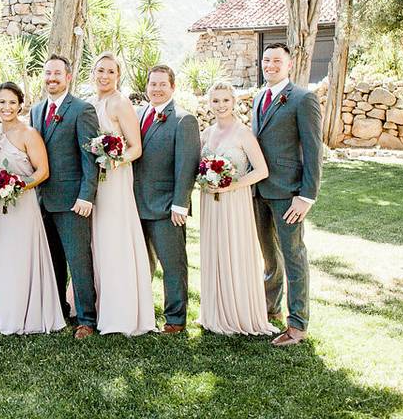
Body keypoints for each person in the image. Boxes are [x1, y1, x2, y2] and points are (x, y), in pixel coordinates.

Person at [252, 43, 323, 347]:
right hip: (259, 191)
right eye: (266, 60)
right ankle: (272, 309)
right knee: (270, 257)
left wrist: (306, 196)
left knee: (293, 256)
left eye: (277, 61)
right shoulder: (258, 97)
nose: (270, 65)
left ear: (289, 65)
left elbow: (313, 150)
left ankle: (298, 324)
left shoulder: (303, 98)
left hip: (288, 192)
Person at [29, 55, 100, 339]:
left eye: (57, 73)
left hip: (72, 201)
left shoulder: (82, 110)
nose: (51, 78)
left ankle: (87, 319)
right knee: (53, 259)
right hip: (42, 200)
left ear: (68, 77)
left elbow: (90, 158)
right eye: (47, 73)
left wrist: (87, 196)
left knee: (78, 260)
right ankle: (59, 308)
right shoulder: (36, 110)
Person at [198, 81, 275, 336]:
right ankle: (215, 312)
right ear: (210, 103)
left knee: (234, 249)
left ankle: (239, 312)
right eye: (216, 101)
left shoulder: (243, 133)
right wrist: (206, 182)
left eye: (225, 100)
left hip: (235, 201)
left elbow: (261, 171)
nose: (221, 106)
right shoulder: (207, 134)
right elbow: (200, 166)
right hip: (210, 202)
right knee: (215, 250)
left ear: (234, 102)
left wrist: (232, 186)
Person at [0, 82, 64, 335]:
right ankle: (5, 315)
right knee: (1, 259)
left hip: (22, 205)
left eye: (12, 102)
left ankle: (28, 315)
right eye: (2, 102)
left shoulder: (29, 134)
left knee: (21, 258)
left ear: (20, 105)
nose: (7, 107)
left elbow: (42, 171)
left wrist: (18, 186)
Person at [89, 53, 155, 336]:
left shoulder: (120, 102)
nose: (105, 76)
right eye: (100, 70)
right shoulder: (92, 102)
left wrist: (115, 160)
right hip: (95, 180)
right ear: (93, 73)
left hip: (115, 178)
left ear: (118, 75)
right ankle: (98, 302)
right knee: (97, 238)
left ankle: (121, 310)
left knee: (115, 238)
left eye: (110, 72)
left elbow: (136, 147)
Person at [132, 65, 201, 334]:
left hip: (166, 206)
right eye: (153, 84)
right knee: (139, 263)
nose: (157, 89)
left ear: (173, 87)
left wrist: (180, 204)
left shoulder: (184, 120)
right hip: (135, 204)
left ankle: (175, 318)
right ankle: (141, 312)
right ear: (146, 87)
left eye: (163, 84)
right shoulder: (138, 115)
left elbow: (187, 166)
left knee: (172, 265)